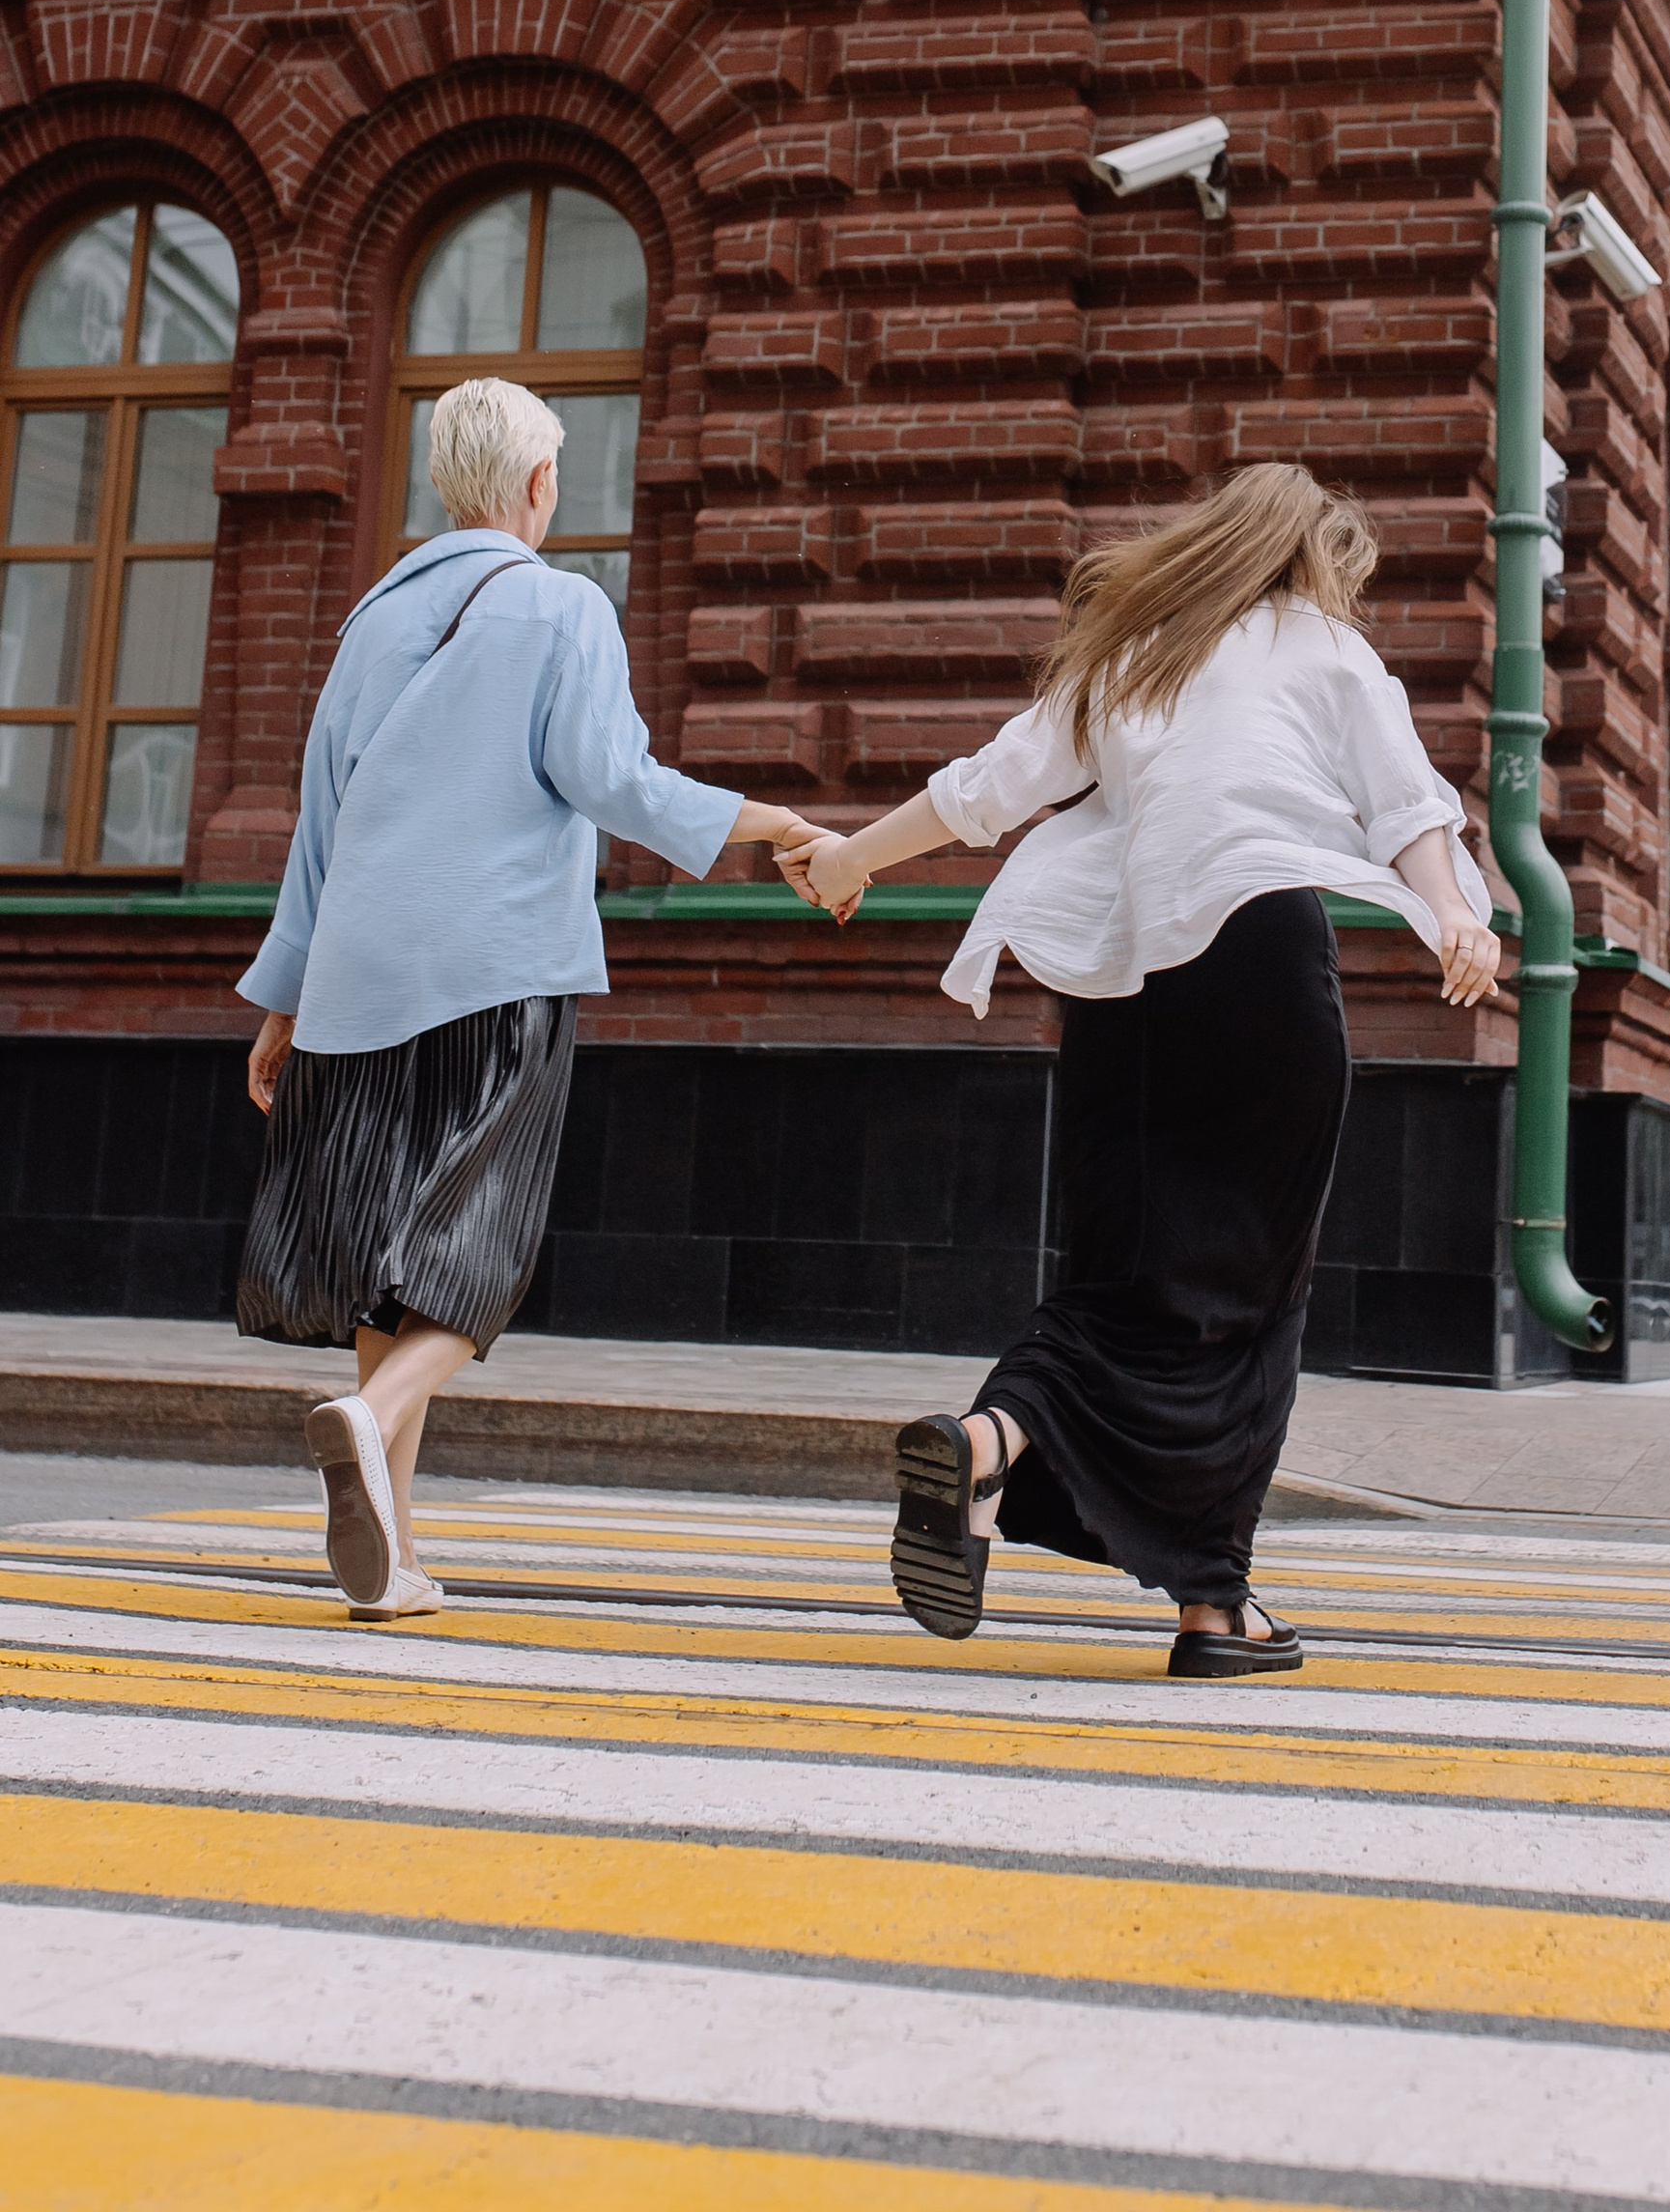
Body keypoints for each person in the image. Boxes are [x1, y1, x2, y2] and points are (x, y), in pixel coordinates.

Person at [796, 462, 1499, 1681]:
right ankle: (1210, 1612)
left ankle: (987, 1437)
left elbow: (986, 790)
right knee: (1248, 1288)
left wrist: (854, 857)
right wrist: (1456, 918)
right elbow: (1406, 804)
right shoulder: (1323, 646)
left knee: (1121, 1272)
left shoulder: (1129, 653)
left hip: (1119, 988)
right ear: (1306, 558)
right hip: (1261, 963)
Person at [236, 375, 823, 1620]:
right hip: (494, 969)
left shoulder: (368, 623)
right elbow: (613, 779)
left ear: (445, 482)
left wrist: (282, 997)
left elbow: (318, 825)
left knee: (382, 1257)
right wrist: (766, 821)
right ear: (541, 483)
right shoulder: (562, 608)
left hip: (353, 975)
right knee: (477, 1250)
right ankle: (371, 1412)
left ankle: (387, 1553)